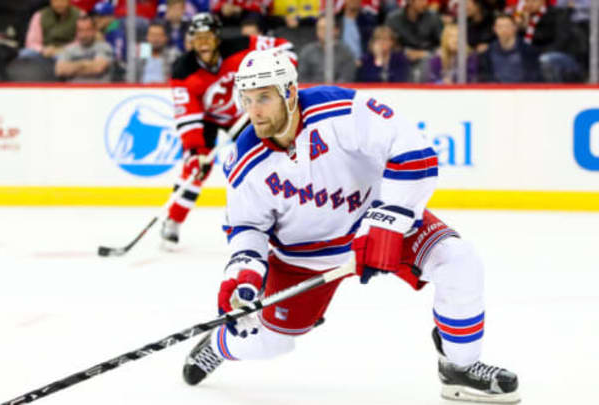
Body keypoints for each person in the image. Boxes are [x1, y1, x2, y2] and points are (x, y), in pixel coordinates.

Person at [181, 48, 520, 404]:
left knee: (458, 260)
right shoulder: (245, 158)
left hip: (376, 220)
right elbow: (246, 227)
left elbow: (414, 154)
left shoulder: (341, 110)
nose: (255, 111)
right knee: (271, 342)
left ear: (290, 93)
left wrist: (385, 224)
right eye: (247, 99)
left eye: (264, 97)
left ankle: (460, 369)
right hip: (304, 259)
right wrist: (244, 275)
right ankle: (220, 346)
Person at [162, 12, 294, 248]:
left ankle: (275, 221)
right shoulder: (183, 69)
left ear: (217, 37)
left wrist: (285, 70)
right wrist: (196, 149)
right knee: (195, 167)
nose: (203, 43)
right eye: (197, 37)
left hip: (244, 113)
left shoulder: (242, 46)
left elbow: (285, 49)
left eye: (208, 37)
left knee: (265, 159)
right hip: (207, 119)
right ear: (191, 40)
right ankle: (173, 220)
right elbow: (188, 114)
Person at [477, 13, 542, 83]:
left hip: (523, 90)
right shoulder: (488, 53)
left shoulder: (528, 51)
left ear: (515, 27)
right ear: (494, 29)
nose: (503, 30)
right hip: (497, 91)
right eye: (500, 27)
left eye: (507, 26)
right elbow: (485, 77)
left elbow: (534, 76)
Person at [297, 14, 356, 83]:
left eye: (326, 28)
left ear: (336, 30)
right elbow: (302, 78)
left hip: (337, 92)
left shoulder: (346, 52)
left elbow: (347, 77)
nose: (323, 31)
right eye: (320, 28)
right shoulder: (307, 52)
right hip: (313, 91)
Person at [55, 16, 114, 82]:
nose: (84, 34)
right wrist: (85, 64)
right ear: (76, 32)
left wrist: (71, 67)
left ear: (94, 30)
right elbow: (60, 70)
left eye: (88, 30)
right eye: (80, 30)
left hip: (98, 90)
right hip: (73, 91)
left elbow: (98, 68)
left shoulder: (104, 47)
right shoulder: (68, 50)